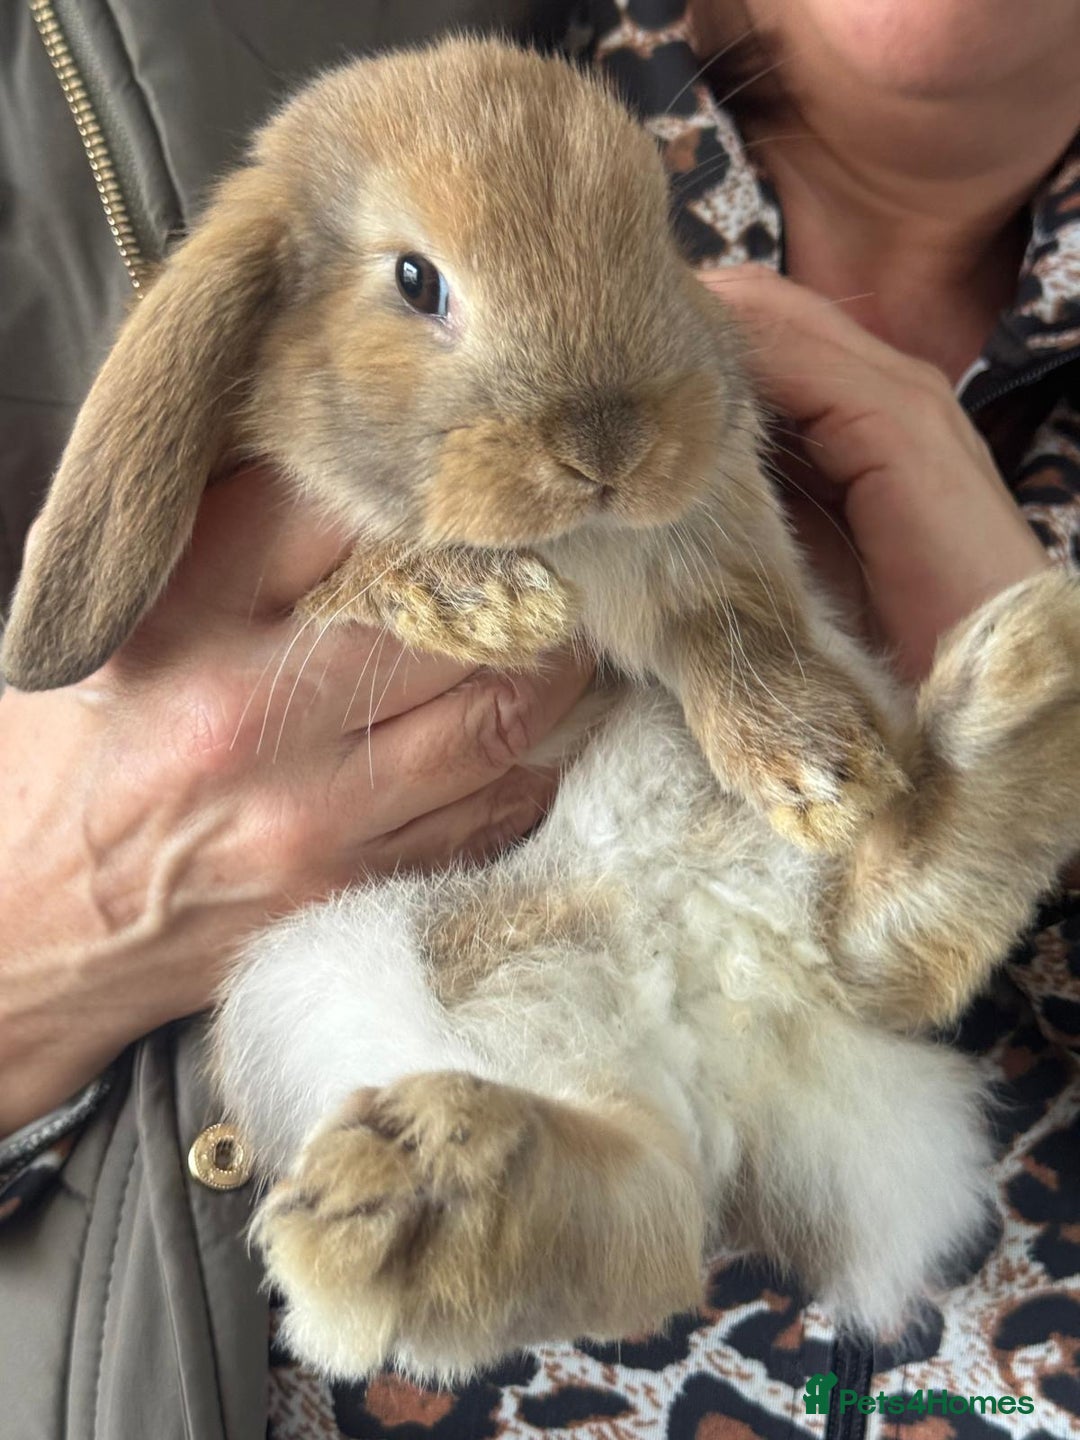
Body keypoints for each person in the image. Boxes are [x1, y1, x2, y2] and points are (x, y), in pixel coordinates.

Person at [1, 1, 1077, 1436]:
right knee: (368, 1006)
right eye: (423, 287)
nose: (597, 442)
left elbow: (729, 619)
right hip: (445, 1033)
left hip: (803, 1055)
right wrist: (49, 920)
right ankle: (537, 1195)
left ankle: (930, 873)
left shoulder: (673, 343)